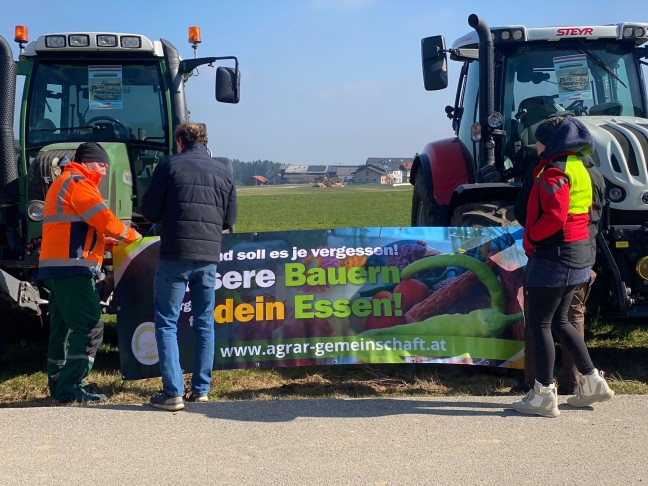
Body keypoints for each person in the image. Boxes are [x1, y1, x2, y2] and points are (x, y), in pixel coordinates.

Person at [511, 116, 614, 418]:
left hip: (555, 255)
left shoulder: (553, 171)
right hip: (581, 254)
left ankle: (543, 394)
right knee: (562, 322)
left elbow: (554, 217)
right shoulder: (582, 167)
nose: (536, 144)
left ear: (553, 142)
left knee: (540, 322)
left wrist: (530, 236)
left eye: (539, 139)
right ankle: (592, 381)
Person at [141, 122, 237, 412]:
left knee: (167, 322)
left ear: (180, 142)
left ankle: (172, 393)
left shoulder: (169, 166)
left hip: (175, 254)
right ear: (205, 142)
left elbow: (149, 211)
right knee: (205, 321)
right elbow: (229, 219)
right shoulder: (223, 170)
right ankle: (202, 389)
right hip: (208, 256)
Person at [39, 142, 141, 403]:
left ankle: (60, 383)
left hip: (57, 265)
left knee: (62, 328)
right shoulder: (78, 182)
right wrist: (131, 235)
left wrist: (105, 244)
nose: (105, 170)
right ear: (86, 162)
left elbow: (73, 228)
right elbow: (104, 219)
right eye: (101, 164)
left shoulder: (63, 182)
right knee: (90, 325)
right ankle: (72, 387)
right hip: (73, 266)